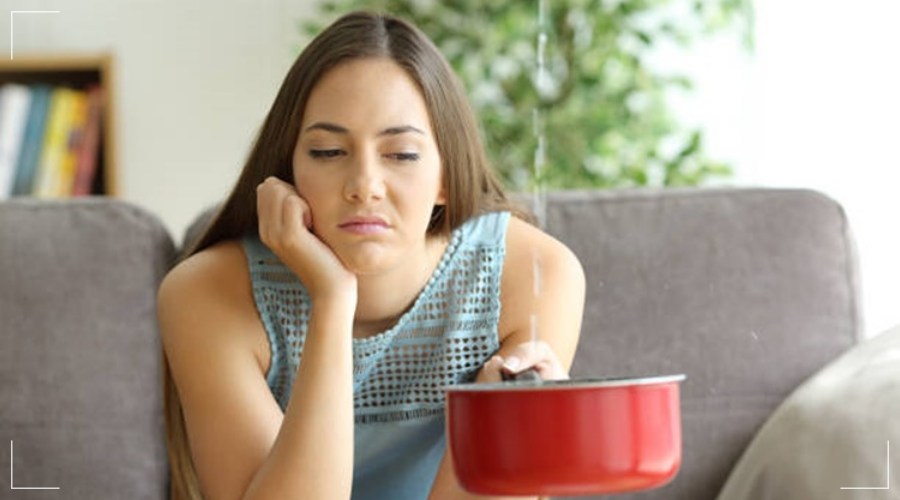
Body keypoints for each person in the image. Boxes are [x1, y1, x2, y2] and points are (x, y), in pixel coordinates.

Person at [158, 10, 585, 500]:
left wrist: (492, 428)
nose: (364, 186)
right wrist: (332, 299)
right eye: (327, 152)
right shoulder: (205, 295)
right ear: (289, 170)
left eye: (401, 154)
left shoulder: (532, 275)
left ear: (447, 177)